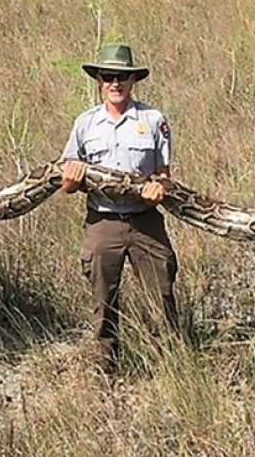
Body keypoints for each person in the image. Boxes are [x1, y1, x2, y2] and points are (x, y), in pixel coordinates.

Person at [60, 43, 179, 375]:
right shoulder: (85, 123)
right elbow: (67, 183)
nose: (115, 83)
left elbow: (166, 178)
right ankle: (105, 368)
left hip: (145, 221)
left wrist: (160, 188)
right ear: (99, 80)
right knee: (103, 299)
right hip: (103, 221)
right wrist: (71, 178)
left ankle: (170, 366)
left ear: (133, 81)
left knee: (162, 295)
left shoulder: (154, 120)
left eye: (122, 77)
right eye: (109, 76)